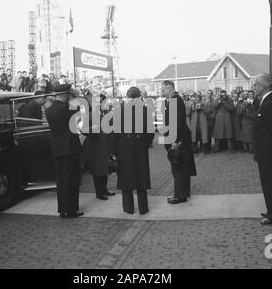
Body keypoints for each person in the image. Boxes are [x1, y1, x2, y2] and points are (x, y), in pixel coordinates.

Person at [45, 84, 83, 219]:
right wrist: (76, 96)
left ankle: (62, 209)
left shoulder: (48, 110)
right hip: (70, 148)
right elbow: (84, 109)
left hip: (57, 148)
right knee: (71, 180)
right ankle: (71, 210)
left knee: (61, 181)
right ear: (67, 94)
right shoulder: (69, 108)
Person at [113, 87, 153, 215]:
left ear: (128, 97)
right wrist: (145, 144)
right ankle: (143, 208)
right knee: (141, 176)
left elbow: (115, 133)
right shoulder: (145, 110)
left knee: (126, 177)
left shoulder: (120, 110)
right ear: (138, 96)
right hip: (140, 145)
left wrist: (114, 151)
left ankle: (128, 208)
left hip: (124, 146)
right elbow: (150, 131)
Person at [252, 74, 272, 226]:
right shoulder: (265, 100)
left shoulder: (270, 102)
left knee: (271, 183)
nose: (254, 88)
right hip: (265, 151)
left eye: (256, 85)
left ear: (264, 86)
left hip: (269, 152)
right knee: (268, 183)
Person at [161, 81, 196, 204]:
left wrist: (174, 142)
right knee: (181, 167)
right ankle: (183, 193)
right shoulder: (173, 100)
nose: (161, 92)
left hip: (178, 140)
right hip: (180, 138)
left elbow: (175, 123)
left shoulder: (174, 100)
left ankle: (180, 196)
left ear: (169, 88)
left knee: (178, 168)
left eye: (163, 89)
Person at [82, 94, 116, 201]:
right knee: (98, 171)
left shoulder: (106, 114)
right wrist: (94, 129)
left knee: (105, 170)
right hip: (95, 147)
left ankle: (104, 189)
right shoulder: (91, 115)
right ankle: (99, 193)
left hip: (105, 146)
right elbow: (84, 130)